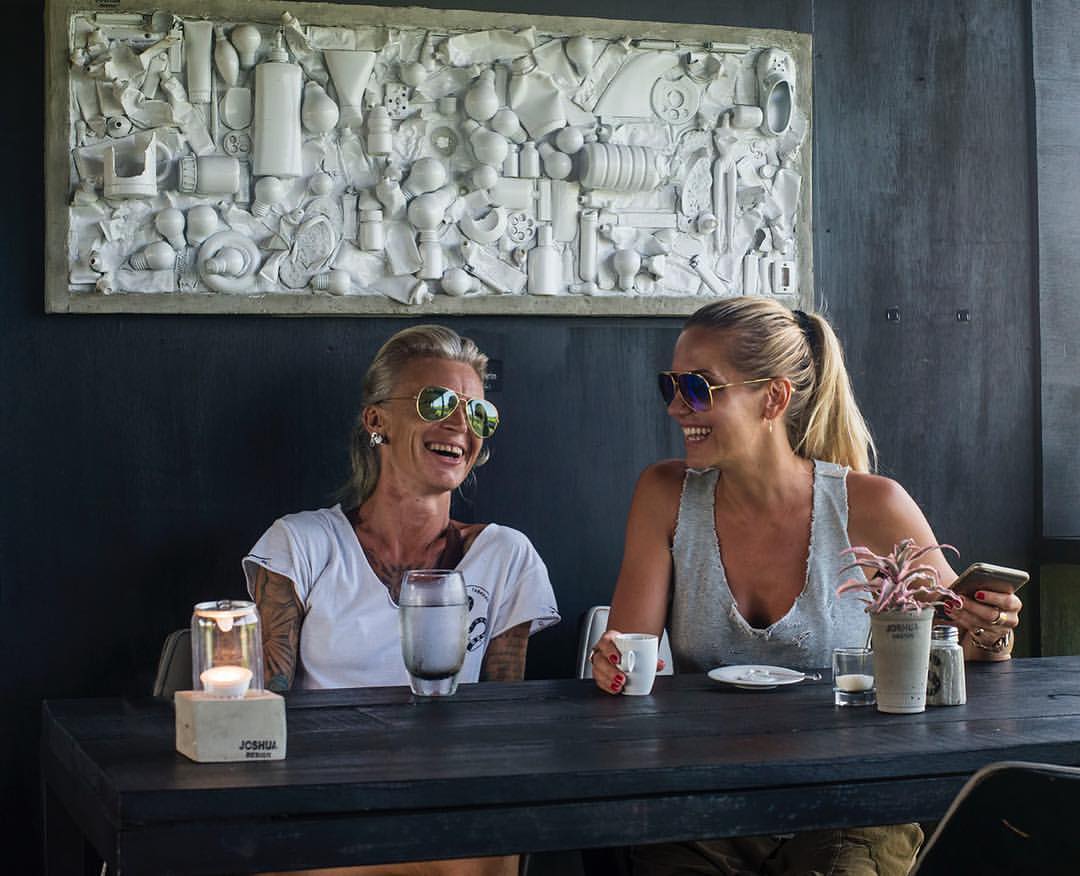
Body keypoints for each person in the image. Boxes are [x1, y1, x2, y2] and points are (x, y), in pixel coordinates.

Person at [590, 297, 1023, 875]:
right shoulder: (664, 494)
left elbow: (961, 646)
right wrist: (612, 663)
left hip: (851, 804)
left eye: (697, 387)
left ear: (773, 398)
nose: (675, 407)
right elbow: (628, 654)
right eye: (670, 385)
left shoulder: (871, 506)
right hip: (704, 806)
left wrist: (991, 628)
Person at [244, 325, 560, 876]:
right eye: (436, 402)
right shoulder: (301, 543)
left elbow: (502, 722)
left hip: (450, 801)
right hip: (323, 799)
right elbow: (266, 709)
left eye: (478, 413)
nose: (460, 425)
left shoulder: (506, 555)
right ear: (377, 421)